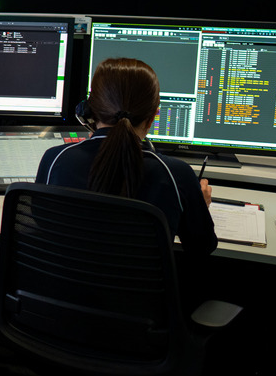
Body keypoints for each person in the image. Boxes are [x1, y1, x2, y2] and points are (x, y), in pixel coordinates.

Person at [36, 57, 217, 262]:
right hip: (137, 294)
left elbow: (41, 225)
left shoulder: (54, 160)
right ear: (152, 118)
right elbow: (201, 248)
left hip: (58, 291)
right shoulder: (175, 175)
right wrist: (199, 206)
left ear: (89, 111)